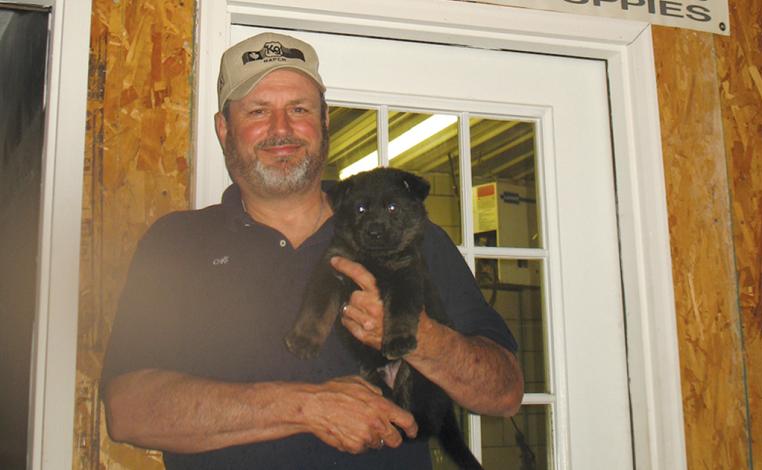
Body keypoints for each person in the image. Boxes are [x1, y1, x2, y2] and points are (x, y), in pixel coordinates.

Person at [100, 32, 523, 469]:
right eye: (258, 111)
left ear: (324, 123)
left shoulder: (408, 235)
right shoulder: (176, 244)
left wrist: (415, 335)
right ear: (224, 129)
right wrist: (308, 407)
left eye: (298, 110)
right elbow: (128, 411)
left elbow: (504, 391)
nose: (281, 129)